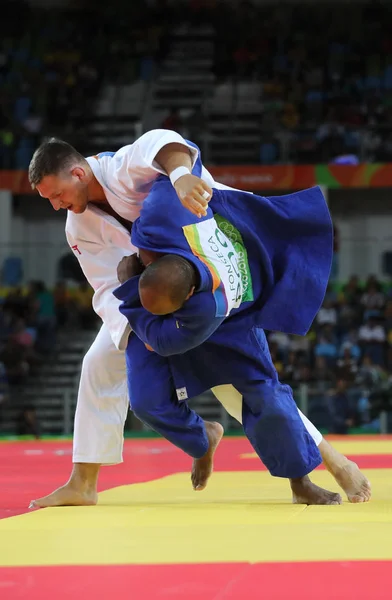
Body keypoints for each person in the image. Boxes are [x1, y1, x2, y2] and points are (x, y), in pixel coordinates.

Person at [27, 131, 370, 508]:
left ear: (77, 173)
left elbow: (163, 144)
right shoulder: (79, 227)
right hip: (143, 305)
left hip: (209, 278)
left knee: (243, 388)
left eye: (56, 195)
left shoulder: (122, 169)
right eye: (48, 201)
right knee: (98, 363)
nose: (57, 206)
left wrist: (180, 177)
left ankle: (331, 463)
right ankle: (84, 482)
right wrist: (145, 331)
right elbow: (108, 288)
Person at [113, 165, 371, 504]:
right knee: (147, 402)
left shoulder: (207, 307)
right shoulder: (164, 212)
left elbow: (159, 340)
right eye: (146, 260)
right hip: (182, 292)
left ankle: (300, 481)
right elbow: (173, 149)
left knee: (269, 401)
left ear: (187, 296)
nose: (142, 259)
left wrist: (130, 292)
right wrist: (178, 175)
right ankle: (201, 439)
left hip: (234, 324)